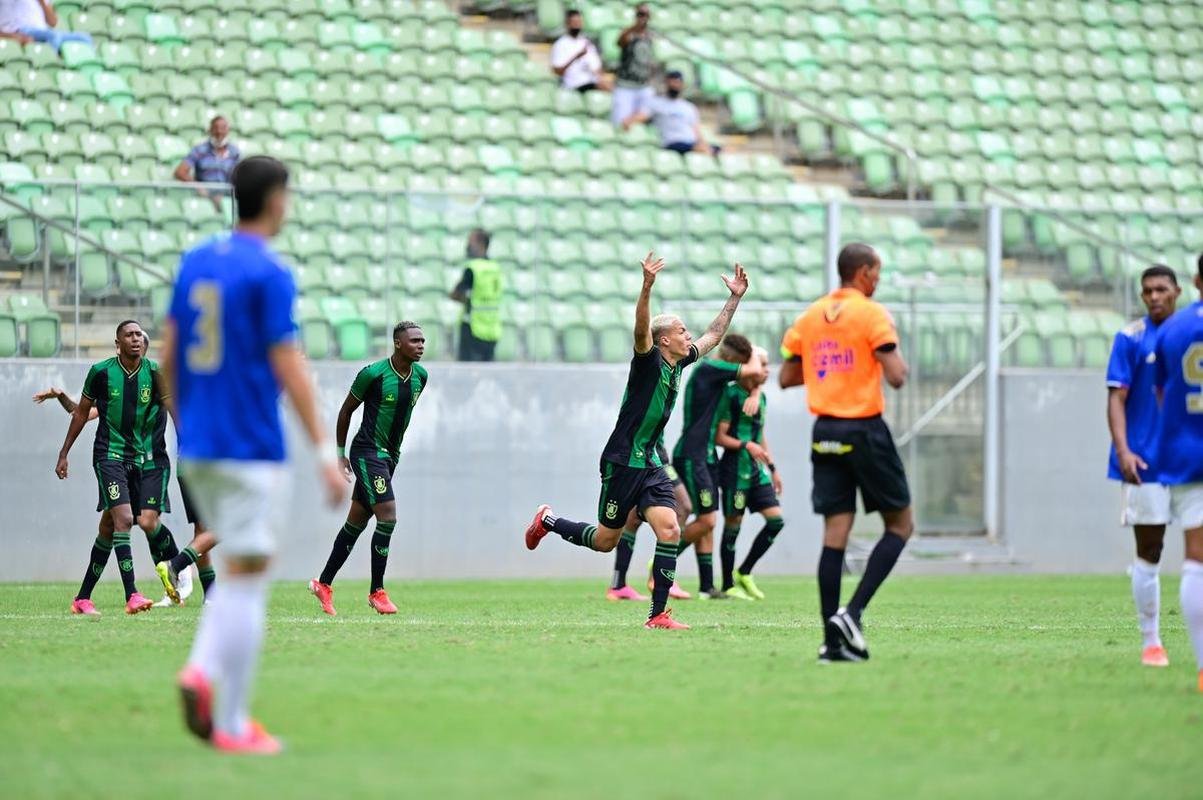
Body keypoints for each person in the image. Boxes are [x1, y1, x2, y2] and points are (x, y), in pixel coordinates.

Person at [161, 155, 345, 755]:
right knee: (248, 580)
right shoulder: (270, 271)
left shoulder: (195, 261)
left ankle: (209, 683)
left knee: (240, 570)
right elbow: (288, 364)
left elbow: (169, 356)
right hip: (250, 448)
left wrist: (191, 425)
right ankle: (229, 714)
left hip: (198, 447)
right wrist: (324, 451)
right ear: (274, 200)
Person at [523, 252, 749, 630]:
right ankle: (548, 520)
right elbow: (641, 329)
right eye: (681, 331)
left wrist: (734, 298)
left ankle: (657, 615)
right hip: (622, 460)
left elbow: (713, 335)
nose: (688, 335)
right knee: (605, 541)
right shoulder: (648, 361)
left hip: (651, 463)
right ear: (664, 340)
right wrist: (647, 287)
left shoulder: (679, 362)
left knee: (670, 528)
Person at [779, 242, 913, 663]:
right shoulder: (872, 314)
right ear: (864, 273)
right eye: (877, 273)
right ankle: (852, 614)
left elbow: (786, 376)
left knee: (834, 534)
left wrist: (832, 368)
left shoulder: (810, 315)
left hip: (825, 433)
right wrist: (867, 360)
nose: (878, 281)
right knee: (900, 525)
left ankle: (831, 644)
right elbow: (897, 376)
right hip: (864, 428)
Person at [54, 320, 174, 616]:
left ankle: (82, 598)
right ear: (118, 343)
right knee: (124, 519)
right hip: (108, 456)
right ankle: (132, 594)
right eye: (129, 335)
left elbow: (175, 410)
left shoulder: (154, 373)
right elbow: (81, 413)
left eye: (138, 334)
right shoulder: (101, 372)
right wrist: (64, 452)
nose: (135, 339)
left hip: (139, 460)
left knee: (108, 528)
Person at [310, 322, 429, 616]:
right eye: (414, 341)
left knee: (356, 522)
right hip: (366, 452)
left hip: (390, 457)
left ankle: (323, 583)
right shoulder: (373, 374)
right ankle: (377, 591)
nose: (420, 346)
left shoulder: (421, 377)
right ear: (398, 343)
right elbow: (345, 411)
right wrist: (340, 454)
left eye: (422, 341)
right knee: (387, 516)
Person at [1105, 265, 1182, 667]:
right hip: (1146, 462)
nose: (1154, 297)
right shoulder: (1130, 337)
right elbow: (1116, 398)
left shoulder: (1191, 334)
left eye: (1161, 289)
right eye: (1147, 291)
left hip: (1190, 461)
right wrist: (1123, 451)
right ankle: (1151, 641)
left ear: (1177, 291)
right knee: (1150, 549)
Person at [671, 332, 761, 599]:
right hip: (692, 454)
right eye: (739, 363)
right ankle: (661, 559)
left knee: (707, 521)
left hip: (707, 456)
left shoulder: (719, 378)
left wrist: (755, 391)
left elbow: (755, 376)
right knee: (707, 519)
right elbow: (755, 370)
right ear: (731, 359)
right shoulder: (709, 368)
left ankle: (707, 587)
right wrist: (754, 355)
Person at [1150, 255, 1203, 694]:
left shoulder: (1172, 330)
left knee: (1196, 556)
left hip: (1188, 451)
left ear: (1197, 281)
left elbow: (1161, 393)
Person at [715, 346, 784, 600]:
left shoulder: (760, 397)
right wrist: (746, 445)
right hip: (734, 470)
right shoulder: (730, 394)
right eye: (762, 365)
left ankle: (744, 571)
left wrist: (772, 468)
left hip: (756, 471)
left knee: (776, 521)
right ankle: (727, 584)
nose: (766, 371)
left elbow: (760, 435)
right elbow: (719, 437)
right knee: (733, 525)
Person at [605, 436, 692, 601]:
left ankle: (619, 584)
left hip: (656, 456)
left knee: (634, 519)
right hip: (647, 456)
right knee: (682, 506)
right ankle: (654, 576)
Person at [623, 71, 717, 156]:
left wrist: (703, 143)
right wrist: (630, 121)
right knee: (702, 150)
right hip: (672, 142)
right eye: (672, 82)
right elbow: (643, 115)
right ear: (666, 83)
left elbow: (696, 130)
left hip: (691, 142)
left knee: (722, 150)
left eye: (677, 82)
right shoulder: (656, 103)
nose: (674, 85)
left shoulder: (689, 107)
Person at [450, 228, 502, 362]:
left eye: (470, 242)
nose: (468, 246)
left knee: (467, 370)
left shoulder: (473, 268)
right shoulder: (495, 268)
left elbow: (455, 294)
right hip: (492, 329)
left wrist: (467, 299)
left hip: (472, 329)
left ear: (481, 244)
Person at [611, 4, 654, 127]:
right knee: (620, 123)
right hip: (625, 85)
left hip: (643, 85)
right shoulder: (628, 33)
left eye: (646, 15)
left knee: (647, 115)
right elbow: (619, 42)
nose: (643, 18)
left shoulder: (649, 36)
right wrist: (635, 27)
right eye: (640, 14)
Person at [551, 9, 609, 92]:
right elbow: (557, 71)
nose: (577, 26)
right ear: (567, 24)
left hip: (591, 81)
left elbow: (597, 68)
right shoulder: (560, 44)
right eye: (574, 23)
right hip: (574, 84)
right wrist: (576, 57)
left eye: (579, 22)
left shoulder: (587, 43)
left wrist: (599, 75)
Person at [174, 116, 241, 186]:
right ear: (210, 130)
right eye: (215, 128)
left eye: (223, 128)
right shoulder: (199, 150)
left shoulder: (234, 152)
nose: (219, 132)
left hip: (226, 192)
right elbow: (180, 172)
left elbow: (240, 177)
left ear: (228, 131)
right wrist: (198, 187)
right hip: (204, 192)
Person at [0, 0, 92, 51]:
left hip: (43, 30)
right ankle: (50, 62)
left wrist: (42, 2)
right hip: (22, 29)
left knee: (84, 38)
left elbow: (53, 22)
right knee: (53, 36)